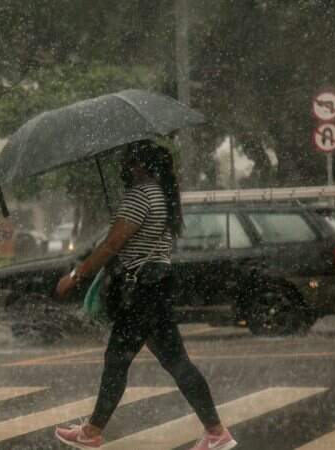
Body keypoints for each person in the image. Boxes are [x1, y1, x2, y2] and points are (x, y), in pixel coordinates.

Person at [54, 140, 236, 450]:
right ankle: (216, 432)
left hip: (140, 292)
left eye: (127, 162)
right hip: (156, 286)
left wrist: (75, 275)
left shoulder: (140, 196)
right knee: (175, 361)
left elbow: (112, 245)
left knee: (118, 359)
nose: (123, 168)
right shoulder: (160, 194)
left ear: (138, 166)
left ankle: (93, 432)